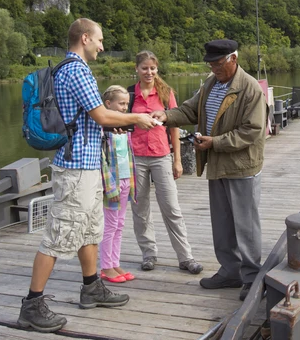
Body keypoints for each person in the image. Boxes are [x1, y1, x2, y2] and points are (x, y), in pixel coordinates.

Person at [17, 18, 156, 333]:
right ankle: (32, 305)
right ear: (84, 38)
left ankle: (92, 287)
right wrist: (136, 117)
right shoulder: (77, 70)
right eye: (100, 40)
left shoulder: (68, 70)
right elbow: (101, 114)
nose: (102, 46)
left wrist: (115, 122)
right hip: (76, 170)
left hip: (88, 166)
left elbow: (93, 120)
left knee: (92, 231)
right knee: (58, 235)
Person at [151, 39, 267, 301]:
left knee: (246, 226)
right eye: (211, 63)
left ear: (233, 59)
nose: (213, 67)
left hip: (242, 167)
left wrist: (215, 142)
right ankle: (230, 271)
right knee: (223, 223)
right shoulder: (211, 84)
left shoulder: (249, 88)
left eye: (218, 63)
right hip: (217, 165)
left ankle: (250, 277)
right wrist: (166, 116)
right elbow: (191, 110)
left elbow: (253, 130)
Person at [129, 50, 203, 275]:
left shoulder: (165, 92)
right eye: (144, 68)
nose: (149, 72)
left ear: (156, 69)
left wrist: (177, 160)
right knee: (140, 208)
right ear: (137, 70)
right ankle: (148, 254)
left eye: (152, 68)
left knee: (171, 207)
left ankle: (185, 257)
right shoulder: (130, 95)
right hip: (137, 157)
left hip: (161, 155)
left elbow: (174, 126)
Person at [99, 85, 137, 284]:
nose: (124, 107)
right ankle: (106, 267)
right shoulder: (103, 130)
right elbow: (102, 160)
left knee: (120, 224)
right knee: (110, 225)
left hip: (125, 180)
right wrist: (110, 186)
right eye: (121, 104)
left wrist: (131, 182)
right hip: (112, 183)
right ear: (108, 104)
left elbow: (128, 156)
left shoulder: (124, 129)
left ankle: (115, 262)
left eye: (126, 104)